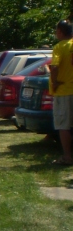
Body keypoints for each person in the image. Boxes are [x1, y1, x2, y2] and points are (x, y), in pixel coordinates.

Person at [49, 19, 73, 166]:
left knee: (63, 125)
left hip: (64, 91)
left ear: (60, 31)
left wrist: (55, 82)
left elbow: (55, 67)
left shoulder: (60, 47)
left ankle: (67, 156)